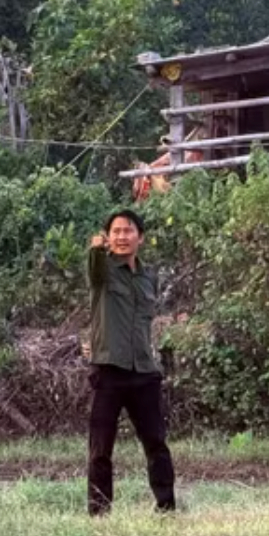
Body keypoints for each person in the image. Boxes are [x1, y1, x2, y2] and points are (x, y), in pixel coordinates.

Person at [87, 209, 176, 516]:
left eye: (128, 231)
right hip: (109, 369)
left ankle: (166, 506)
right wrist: (96, 248)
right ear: (107, 237)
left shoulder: (149, 276)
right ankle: (99, 512)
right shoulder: (102, 269)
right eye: (116, 232)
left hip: (144, 371)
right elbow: (94, 263)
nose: (122, 237)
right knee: (101, 448)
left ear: (141, 237)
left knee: (156, 442)